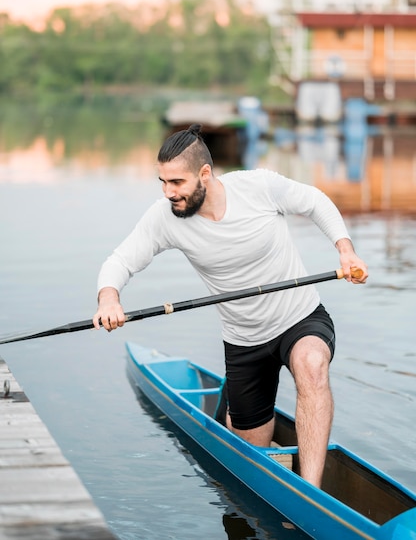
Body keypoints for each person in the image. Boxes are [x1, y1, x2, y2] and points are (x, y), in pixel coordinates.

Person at [93, 123, 368, 488]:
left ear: (205, 174)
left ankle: (310, 489)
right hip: (244, 341)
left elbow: (316, 201)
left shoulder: (258, 187)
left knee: (312, 365)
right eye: (162, 182)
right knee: (248, 447)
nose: (167, 192)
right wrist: (109, 297)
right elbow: (121, 260)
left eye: (176, 182)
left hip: (299, 318)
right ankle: (243, 425)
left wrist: (345, 249)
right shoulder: (166, 217)